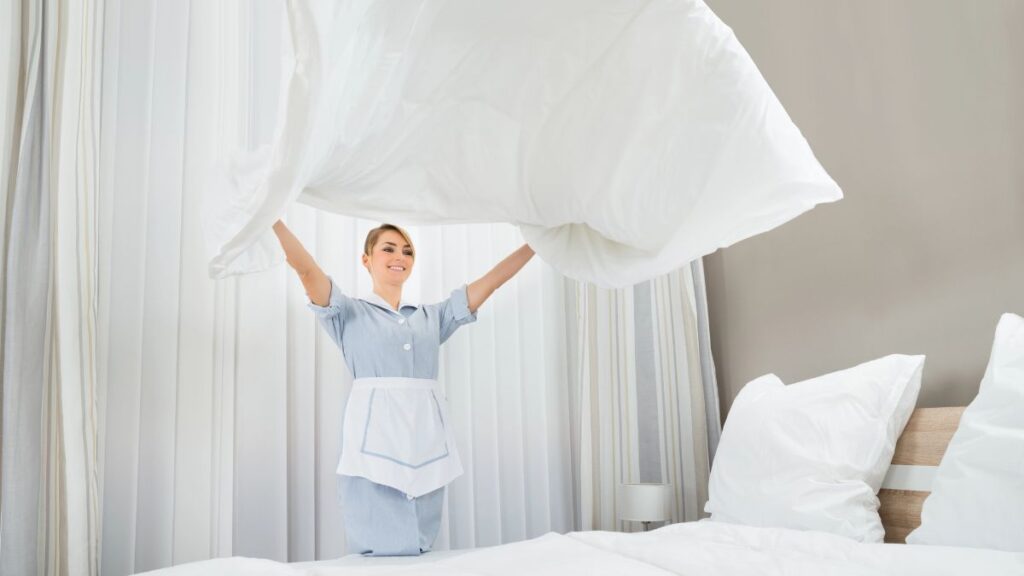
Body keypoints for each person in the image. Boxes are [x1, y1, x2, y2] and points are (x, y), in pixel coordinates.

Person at [272, 220, 535, 556]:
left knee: (419, 546)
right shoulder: (348, 313)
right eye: (389, 248)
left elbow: (494, 281)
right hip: (372, 448)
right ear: (366, 259)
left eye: (408, 251)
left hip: (424, 444)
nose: (400, 256)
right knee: (376, 547)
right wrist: (274, 221)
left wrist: (537, 244)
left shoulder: (432, 316)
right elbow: (307, 271)